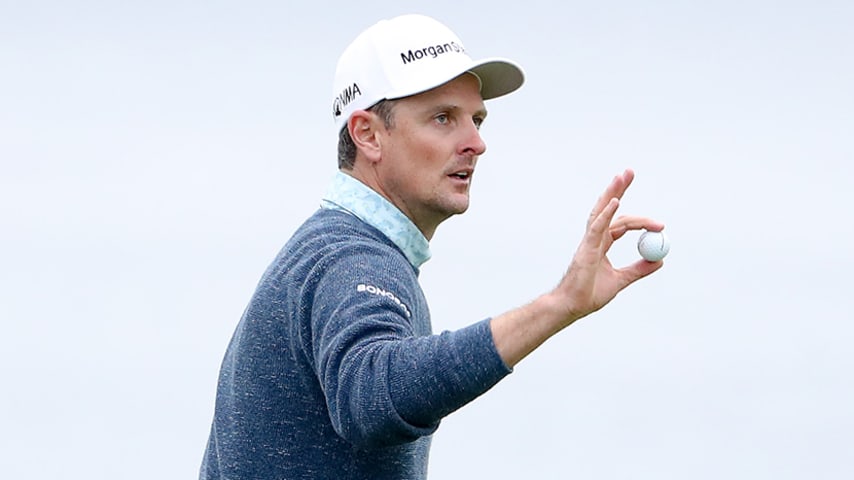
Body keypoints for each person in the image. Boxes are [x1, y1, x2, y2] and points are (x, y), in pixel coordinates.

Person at [200, 13, 664, 480]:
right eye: (443, 118)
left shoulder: (331, 245)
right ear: (367, 134)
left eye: (477, 119)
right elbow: (371, 397)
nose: (476, 142)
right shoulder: (353, 258)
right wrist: (558, 305)